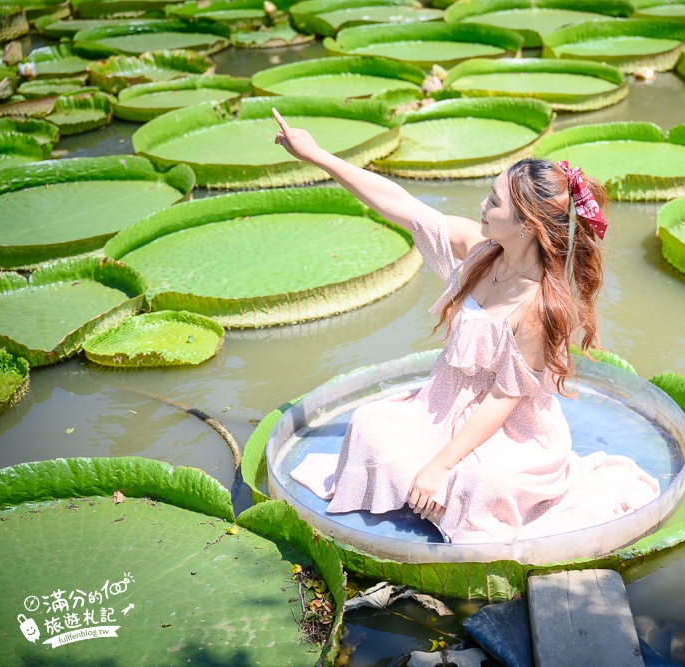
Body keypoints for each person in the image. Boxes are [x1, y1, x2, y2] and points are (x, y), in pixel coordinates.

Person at [274, 109, 663, 544]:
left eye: (494, 203)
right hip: (443, 400)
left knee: (480, 484)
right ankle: (429, 480)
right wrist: (318, 156)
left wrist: (441, 464)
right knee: (369, 427)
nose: (482, 206)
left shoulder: (541, 305)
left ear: (527, 227)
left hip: (509, 425)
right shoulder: (478, 251)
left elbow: (502, 398)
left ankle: (453, 488)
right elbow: (403, 206)